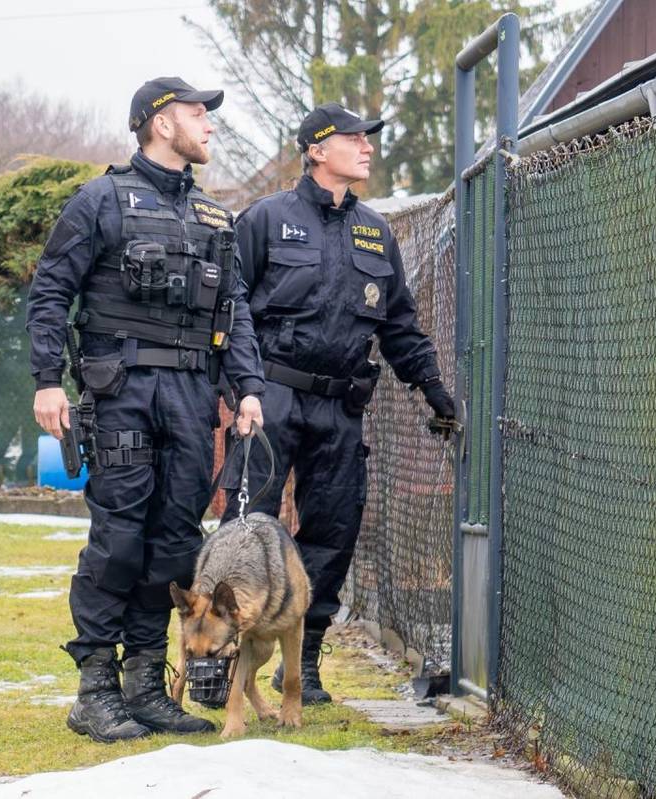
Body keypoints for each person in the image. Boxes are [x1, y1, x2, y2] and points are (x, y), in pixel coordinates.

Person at [26, 77, 265, 743]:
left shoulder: (216, 218)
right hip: (122, 391)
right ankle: (95, 688)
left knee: (173, 544)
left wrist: (247, 388)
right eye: (197, 113)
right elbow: (51, 291)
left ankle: (146, 686)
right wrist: (48, 380)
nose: (208, 124)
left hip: (192, 399)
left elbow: (235, 311)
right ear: (159, 122)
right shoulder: (99, 201)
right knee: (120, 540)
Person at [224, 102, 456, 704]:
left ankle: (302, 657)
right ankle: (222, 653)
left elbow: (399, 325)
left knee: (333, 531)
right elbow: (230, 309)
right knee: (249, 527)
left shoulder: (376, 231)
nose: (368, 147)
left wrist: (433, 388)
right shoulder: (266, 220)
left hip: (341, 406)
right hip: (272, 396)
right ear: (317, 149)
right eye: (355, 138)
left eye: (368, 138)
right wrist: (239, 388)